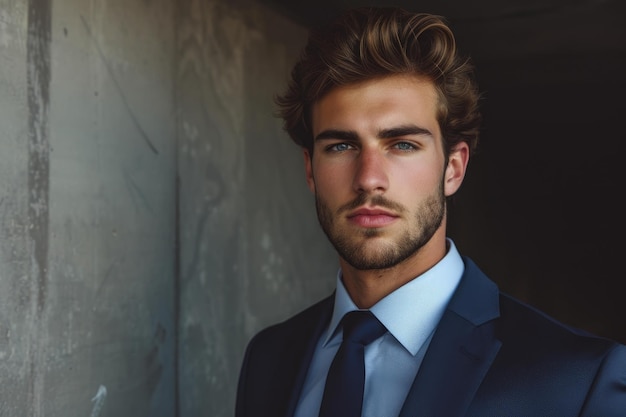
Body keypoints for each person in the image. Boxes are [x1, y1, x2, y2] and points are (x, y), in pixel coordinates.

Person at [235, 6, 626, 417]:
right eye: (341, 146)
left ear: (453, 169)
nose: (369, 179)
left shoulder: (580, 379)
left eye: (402, 144)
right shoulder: (269, 359)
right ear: (311, 169)